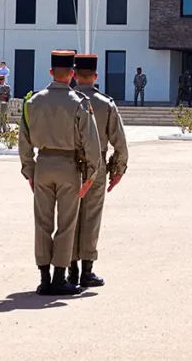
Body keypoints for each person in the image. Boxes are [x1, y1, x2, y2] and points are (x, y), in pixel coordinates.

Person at [19, 50, 102, 296]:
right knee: (67, 224)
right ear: (72, 74)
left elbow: (24, 142)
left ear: (51, 73)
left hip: (43, 164)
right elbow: (91, 144)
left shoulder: (33, 102)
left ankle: (44, 278)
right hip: (68, 166)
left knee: (42, 222)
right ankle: (59, 277)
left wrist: (29, 170)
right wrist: (90, 175)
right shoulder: (79, 102)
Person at [70, 54, 129, 288]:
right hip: (97, 165)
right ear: (95, 76)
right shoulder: (106, 103)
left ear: (74, 75)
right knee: (91, 217)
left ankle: (70, 268)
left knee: (69, 216)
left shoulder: (67, 99)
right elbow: (120, 143)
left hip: (69, 165)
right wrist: (118, 170)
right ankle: (87, 270)